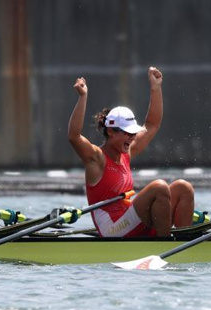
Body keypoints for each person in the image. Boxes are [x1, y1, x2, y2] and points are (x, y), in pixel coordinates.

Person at [67, 67, 195, 238]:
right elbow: (73, 136)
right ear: (111, 131)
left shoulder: (127, 151)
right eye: (127, 133)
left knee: (183, 187)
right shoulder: (96, 159)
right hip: (112, 230)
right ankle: (165, 246)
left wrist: (155, 88)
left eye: (133, 133)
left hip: (130, 221)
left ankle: (184, 242)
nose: (132, 137)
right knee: (159, 187)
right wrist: (83, 97)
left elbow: (152, 125)